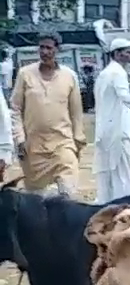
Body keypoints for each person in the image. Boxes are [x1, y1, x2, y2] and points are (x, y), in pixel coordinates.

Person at [10, 31, 86, 197]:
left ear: (57, 50)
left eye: (49, 48)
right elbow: (15, 108)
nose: (44, 52)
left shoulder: (69, 76)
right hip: (33, 145)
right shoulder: (25, 74)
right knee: (35, 198)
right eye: (41, 47)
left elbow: (76, 111)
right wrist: (19, 138)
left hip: (62, 142)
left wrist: (78, 139)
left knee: (68, 192)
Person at [93, 39, 130, 201]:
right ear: (117, 54)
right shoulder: (117, 73)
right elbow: (125, 98)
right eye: (129, 52)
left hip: (106, 130)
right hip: (117, 132)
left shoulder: (104, 73)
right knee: (122, 174)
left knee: (108, 177)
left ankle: (106, 205)